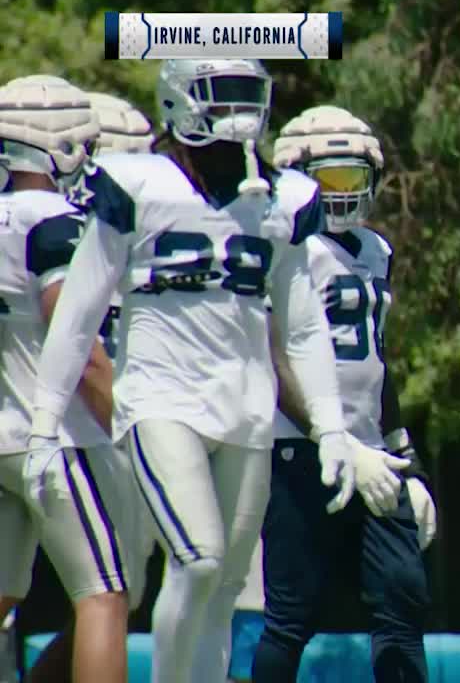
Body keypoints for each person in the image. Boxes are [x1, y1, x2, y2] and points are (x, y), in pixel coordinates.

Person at [26, 59, 375, 683]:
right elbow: (78, 311)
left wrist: (330, 427)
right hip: (160, 400)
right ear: (177, 102)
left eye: (247, 96)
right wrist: (45, 421)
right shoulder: (141, 184)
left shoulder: (281, 197)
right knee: (200, 559)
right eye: (222, 96)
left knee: (225, 587)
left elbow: (300, 326)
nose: (238, 113)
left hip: (246, 408)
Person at [252, 104, 435, 682]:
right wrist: (334, 440)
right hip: (298, 449)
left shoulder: (377, 250)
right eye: (325, 179)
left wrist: (403, 450)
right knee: (291, 614)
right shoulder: (282, 246)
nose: (339, 194)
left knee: (403, 597)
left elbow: (377, 357)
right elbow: (271, 357)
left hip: (374, 451)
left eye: (351, 178)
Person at [20, 88, 161, 683]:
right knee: (110, 594)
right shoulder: (66, 226)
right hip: (73, 433)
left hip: (22, 426)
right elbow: (81, 346)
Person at [0, 74, 130, 683]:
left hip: (2, 430)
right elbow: (69, 327)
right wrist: (126, 424)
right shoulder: (54, 219)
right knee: (104, 593)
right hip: (53, 439)